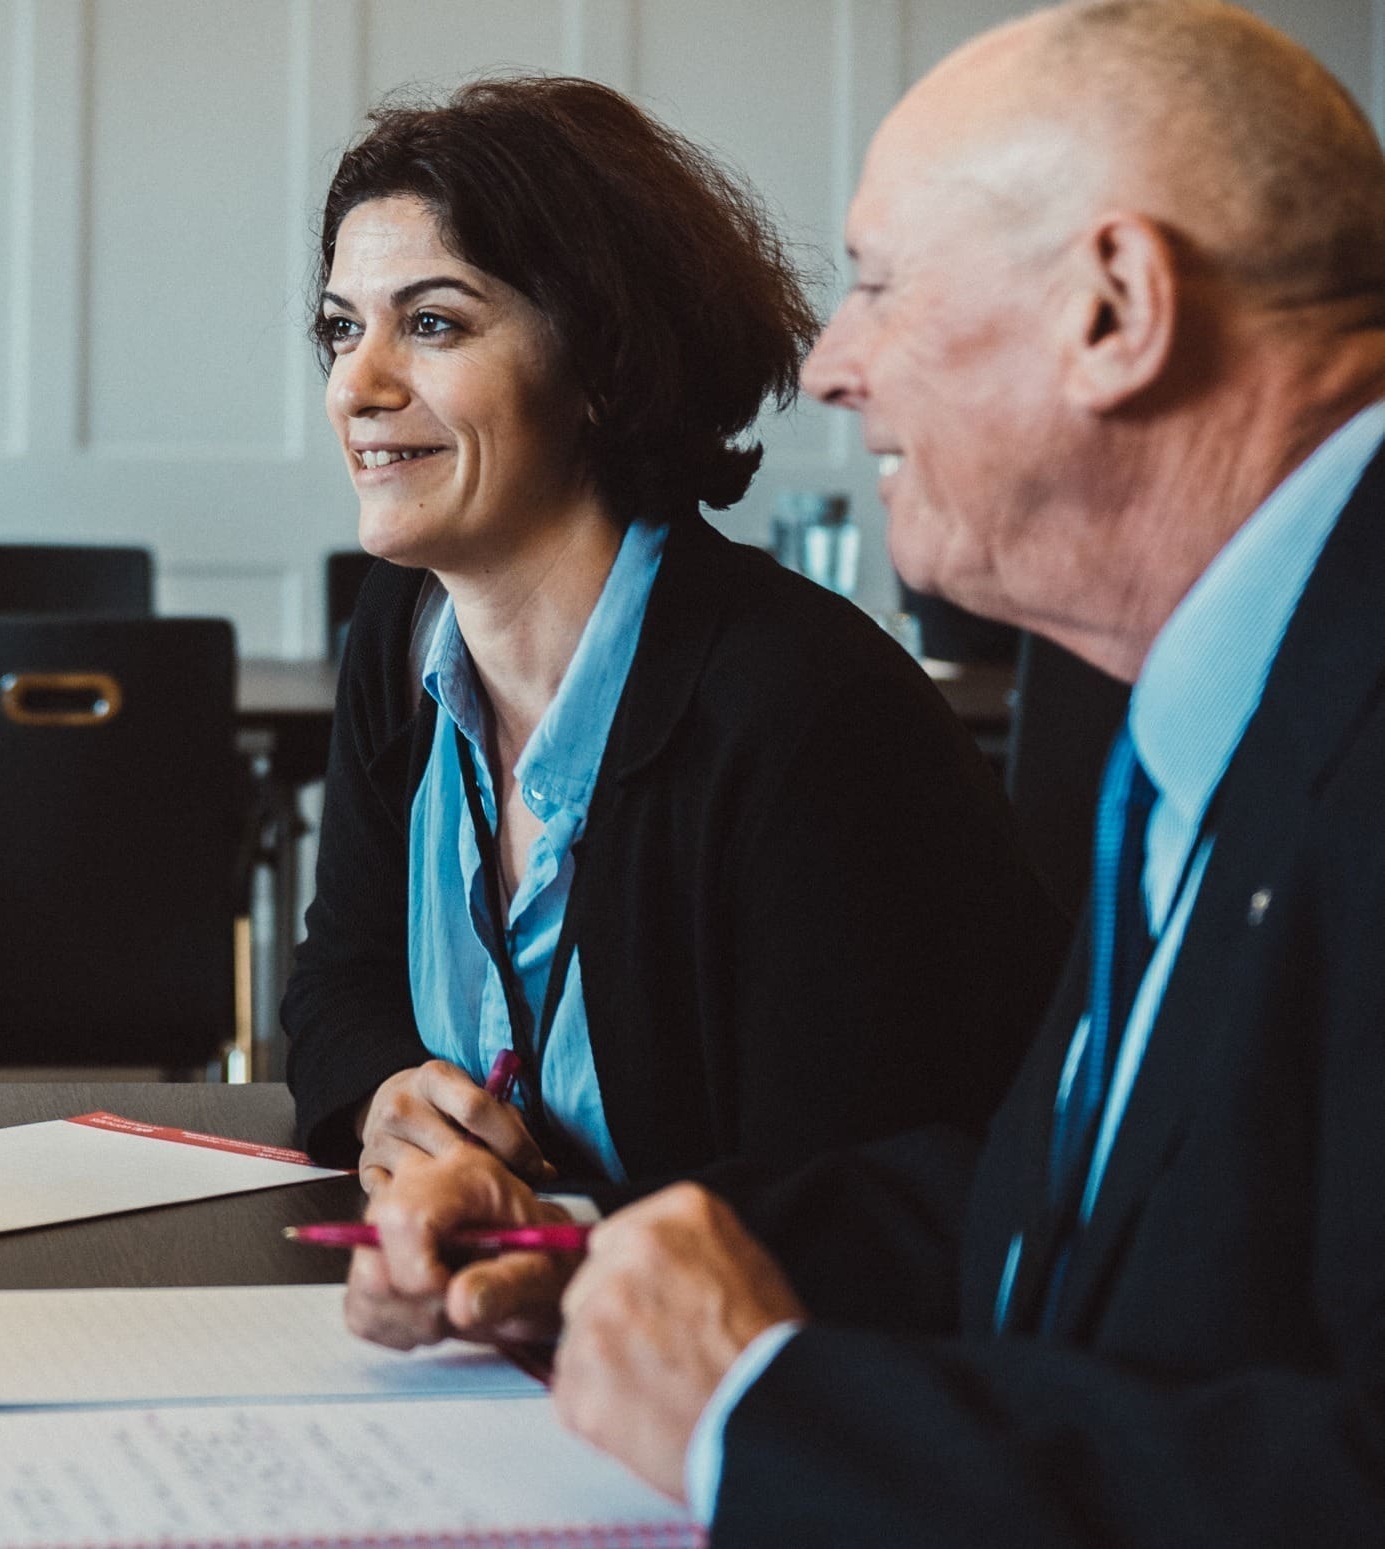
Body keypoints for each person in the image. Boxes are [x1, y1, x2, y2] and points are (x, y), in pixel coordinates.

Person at [343, 3, 1385, 1540]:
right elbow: (1049, 1220)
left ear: (1116, 310)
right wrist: (583, 1251)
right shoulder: (1166, 686)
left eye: (883, 288)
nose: (831, 366)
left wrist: (771, 1413)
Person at [282, 77, 1065, 1199]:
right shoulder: (400, 640)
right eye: (343, 328)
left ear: (599, 363)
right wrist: (386, 1095)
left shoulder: (802, 714)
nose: (356, 385)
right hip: (495, 1334)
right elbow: (338, 980)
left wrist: (570, 1267)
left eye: (434, 323)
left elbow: (861, 1198)